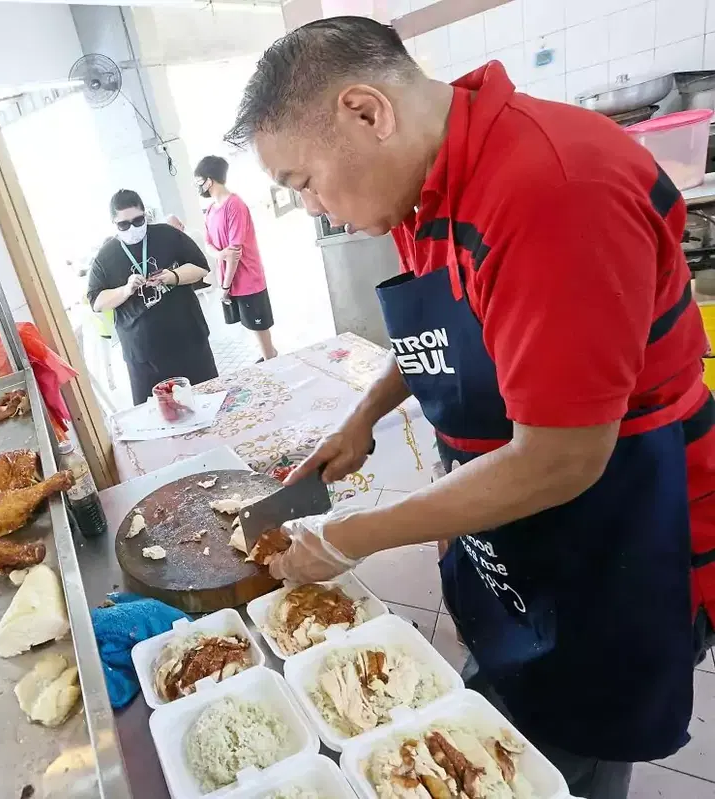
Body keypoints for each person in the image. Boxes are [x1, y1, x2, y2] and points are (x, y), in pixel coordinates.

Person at [226, 17, 715, 799]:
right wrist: (365, 417)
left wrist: (348, 536)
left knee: (561, 761)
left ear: (366, 112)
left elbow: (562, 455)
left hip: (618, 530)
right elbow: (455, 326)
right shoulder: (424, 188)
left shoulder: (553, 190)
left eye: (302, 181)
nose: (315, 207)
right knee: (497, 726)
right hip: (513, 527)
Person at [87, 190, 218, 404]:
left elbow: (201, 268)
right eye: (124, 224)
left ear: (145, 215)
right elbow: (96, 301)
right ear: (114, 223)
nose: (133, 228)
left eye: (139, 220)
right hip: (144, 357)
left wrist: (173, 276)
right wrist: (125, 290)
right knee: (158, 417)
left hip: (189, 342)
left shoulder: (167, 235)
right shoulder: (106, 255)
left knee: (207, 401)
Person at [194, 155, 278, 361]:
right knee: (249, 326)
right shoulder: (211, 210)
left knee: (260, 329)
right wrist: (221, 254)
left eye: (198, 180)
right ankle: (268, 357)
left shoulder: (235, 205)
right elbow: (209, 245)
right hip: (231, 281)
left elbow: (235, 253)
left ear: (209, 180)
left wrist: (225, 286)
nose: (197, 185)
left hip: (247, 280)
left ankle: (271, 360)